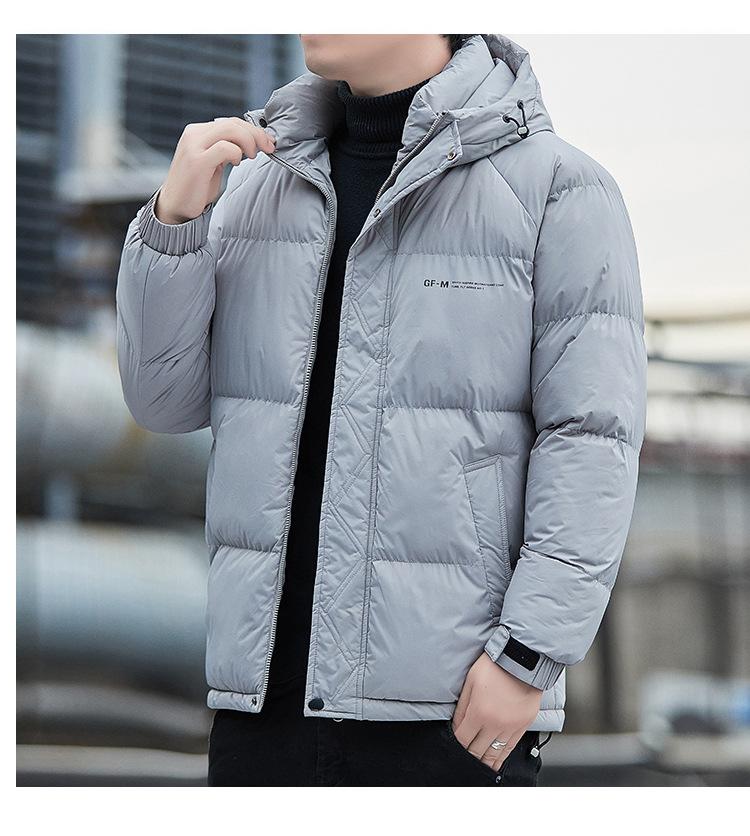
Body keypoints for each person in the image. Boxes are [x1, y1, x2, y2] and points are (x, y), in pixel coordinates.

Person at [115, 33, 647, 787]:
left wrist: (527, 657)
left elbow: (592, 442)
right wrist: (174, 225)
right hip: (262, 708)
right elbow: (162, 402)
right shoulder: (259, 186)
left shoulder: (559, 190)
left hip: (447, 713)